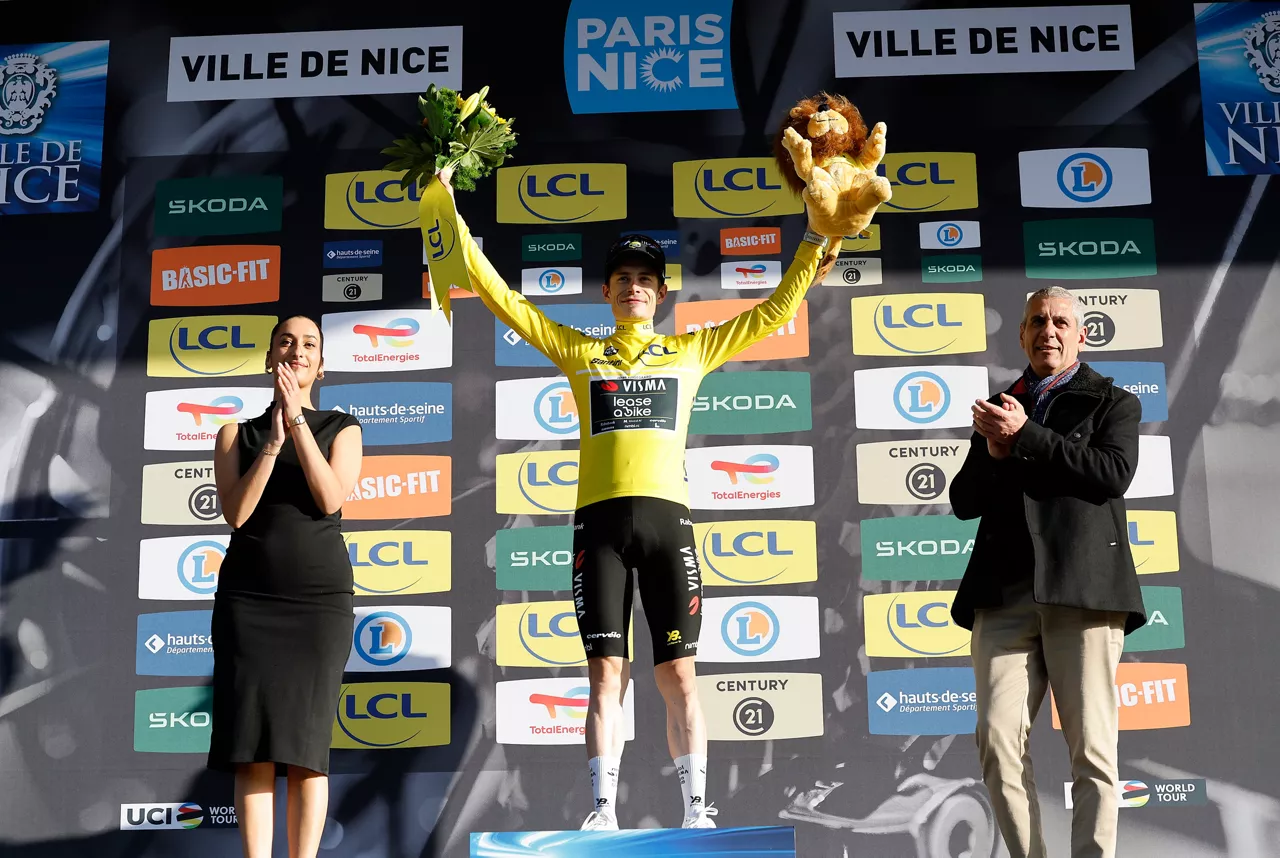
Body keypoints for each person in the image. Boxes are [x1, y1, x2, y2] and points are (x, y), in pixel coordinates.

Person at [436, 168, 838, 831]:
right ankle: (603, 811)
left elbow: (773, 312)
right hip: (598, 531)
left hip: (668, 526)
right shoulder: (579, 352)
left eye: (645, 279)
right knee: (605, 677)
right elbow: (502, 297)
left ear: (660, 292)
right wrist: (449, 219)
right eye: (622, 278)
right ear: (607, 292)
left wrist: (810, 248)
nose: (633, 287)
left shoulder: (691, 350)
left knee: (681, 678)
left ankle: (696, 810)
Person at [948, 286, 1147, 858]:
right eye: (1036, 321)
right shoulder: (1000, 404)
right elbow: (964, 500)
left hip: (1082, 594)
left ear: (1081, 336)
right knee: (996, 743)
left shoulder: (1113, 401)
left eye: (1060, 321)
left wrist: (1026, 437)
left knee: (1092, 751)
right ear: (1021, 335)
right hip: (1004, 595)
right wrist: (994, 454)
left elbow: (1112, 474)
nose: (1047, 331)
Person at [208, 315, 363, 858]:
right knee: (251, 749)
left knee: (305, 748)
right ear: (271, 357)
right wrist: (272, 443)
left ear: (322, 365)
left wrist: (298, 422)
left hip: (317, 605)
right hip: (247, 603)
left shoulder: (342, 427)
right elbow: (237, 513)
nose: (298, 350)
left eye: (309, 344)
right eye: (287, 342)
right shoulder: (236, 433)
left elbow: (330, 499)